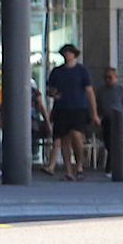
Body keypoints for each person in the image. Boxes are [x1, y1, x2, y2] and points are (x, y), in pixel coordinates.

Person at [45, 45, 96, 182]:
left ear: (74, 54)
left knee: (76, 135)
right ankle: (69, 170)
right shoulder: (57, 71)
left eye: (70, 53)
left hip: (79, 107)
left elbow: (89, 91)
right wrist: (53, 94)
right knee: (64, 140)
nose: (67, 55)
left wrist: (94, 112)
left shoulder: (82, 71)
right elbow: (49, 90)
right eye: (65, 53)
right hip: (62, 108)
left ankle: (79, 164)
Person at [98, 66, 123, 176]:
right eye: (105, 78)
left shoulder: (121, 90)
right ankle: (111, 167)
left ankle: (111, 168)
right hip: (106, 119)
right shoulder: (101, 90)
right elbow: (98, 105)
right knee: (108, 143)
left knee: (115, 144)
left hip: (119, 120)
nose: (107, 80)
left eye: (110, 77)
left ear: (115, 77)